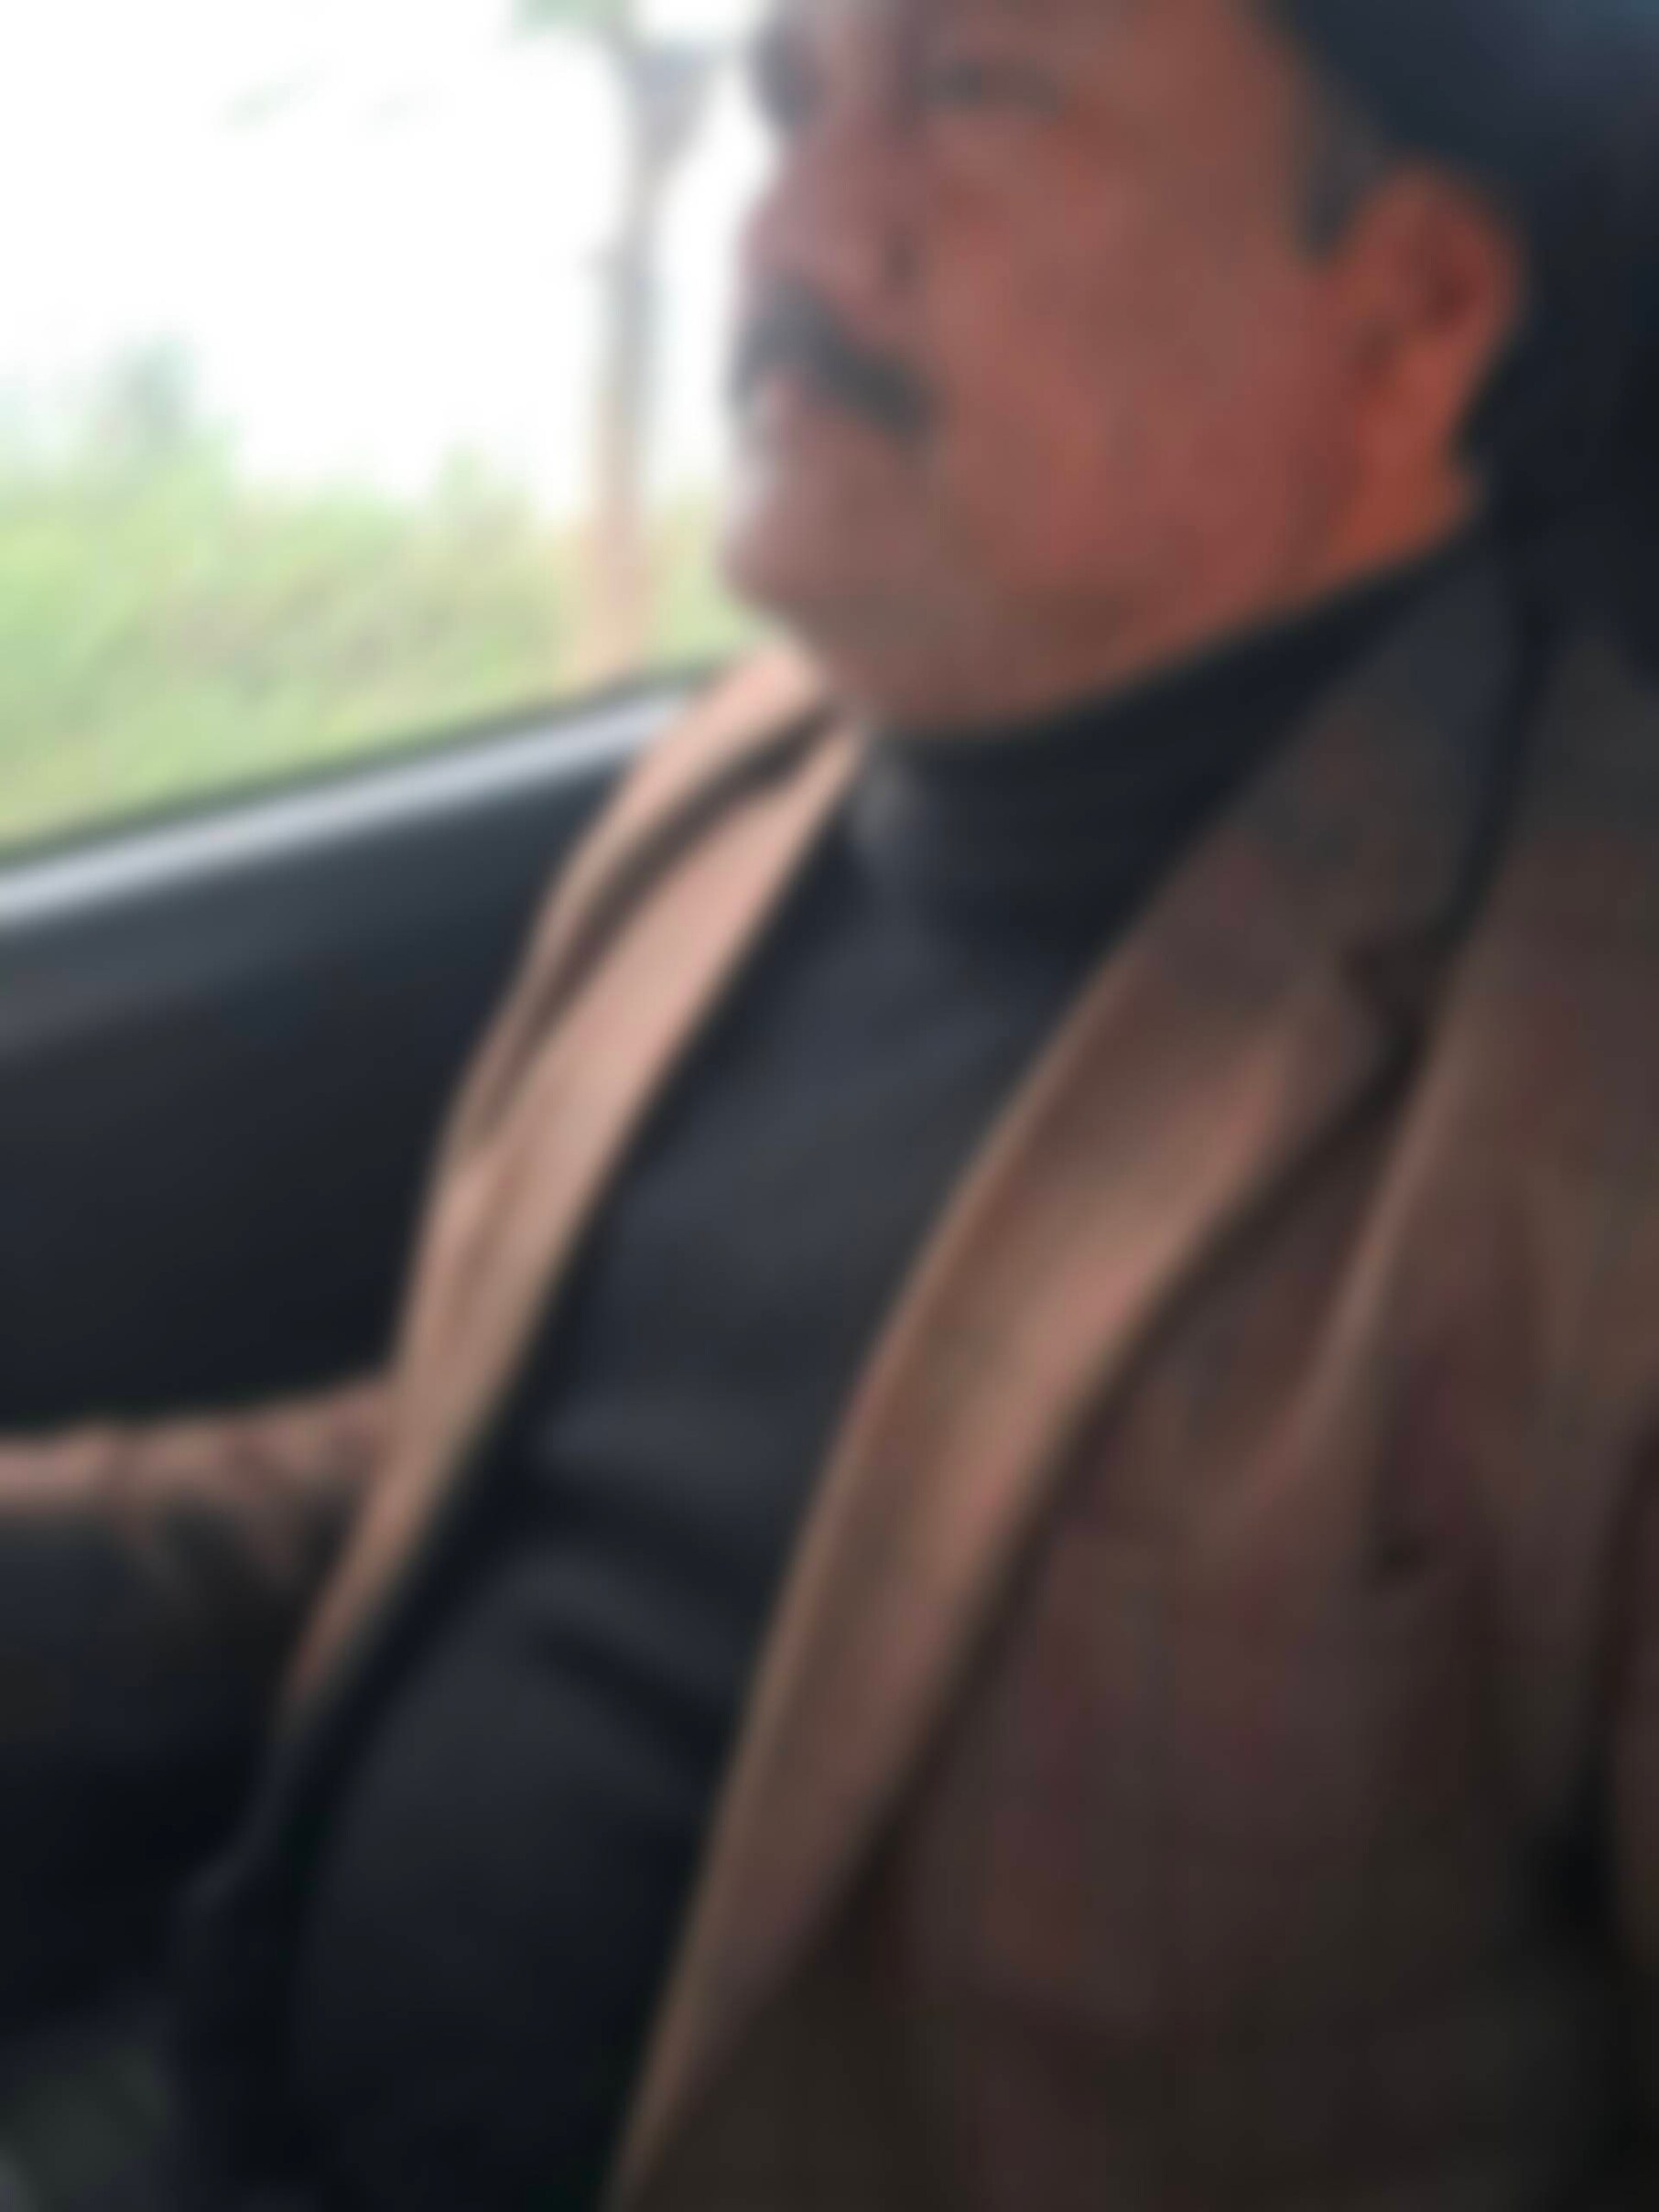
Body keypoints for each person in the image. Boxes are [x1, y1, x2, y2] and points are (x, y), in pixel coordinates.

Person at [3, 0, 1659, 2204]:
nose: (786, 224)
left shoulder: (1580, 1084)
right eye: (787, 99)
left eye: (969, 91)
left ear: (1411, 308)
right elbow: (485, 1455)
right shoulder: (744, 776)